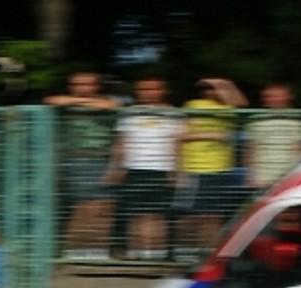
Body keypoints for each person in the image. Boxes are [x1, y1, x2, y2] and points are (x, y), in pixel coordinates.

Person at [105, 76, 185, 261]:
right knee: (127, 211)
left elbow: (178, 143)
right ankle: (125, 252)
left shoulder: (175, 114)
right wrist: (115, 168)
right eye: (143, 89)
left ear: (163, 91)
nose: (148, 93)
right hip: (133, 168)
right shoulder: (130, 113)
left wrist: (176, 170)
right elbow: (121, 142)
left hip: (162, 169)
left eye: (153, 89)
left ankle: (163, 254)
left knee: (162, 213)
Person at [46, 71, 122, 260]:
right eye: (77, 84)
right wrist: (83, 102)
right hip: (73, 160)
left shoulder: (109, 101)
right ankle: (68, 250)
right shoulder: (66, 103)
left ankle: (101, 249)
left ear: (97, 86)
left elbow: (112, 105)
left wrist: (80, 102)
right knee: (74, 206)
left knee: (102, 207)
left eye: (87, 84)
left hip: (100, 159)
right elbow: (51, 101)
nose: (82, 88)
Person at [175, 77, 249, 260]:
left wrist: (225, 84)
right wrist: (213, 134)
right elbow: (182, 135)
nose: (211, 92)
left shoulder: (229, 110)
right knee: (191, 215)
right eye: (207, 89)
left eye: (214, 89)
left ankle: (208, 253)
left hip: (221, 169)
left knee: (214, 215)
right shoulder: (194, 105)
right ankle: (186, 251)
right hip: (195, 168)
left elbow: (242, 105)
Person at [243, 82, 301, 191]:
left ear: (289, 97)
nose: (274, 99)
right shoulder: (255, 120)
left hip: (290, 175)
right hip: (263, 176)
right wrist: (250, 174)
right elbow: (250, 148)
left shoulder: (300, 120)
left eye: (278, 96)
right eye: (270, 96)